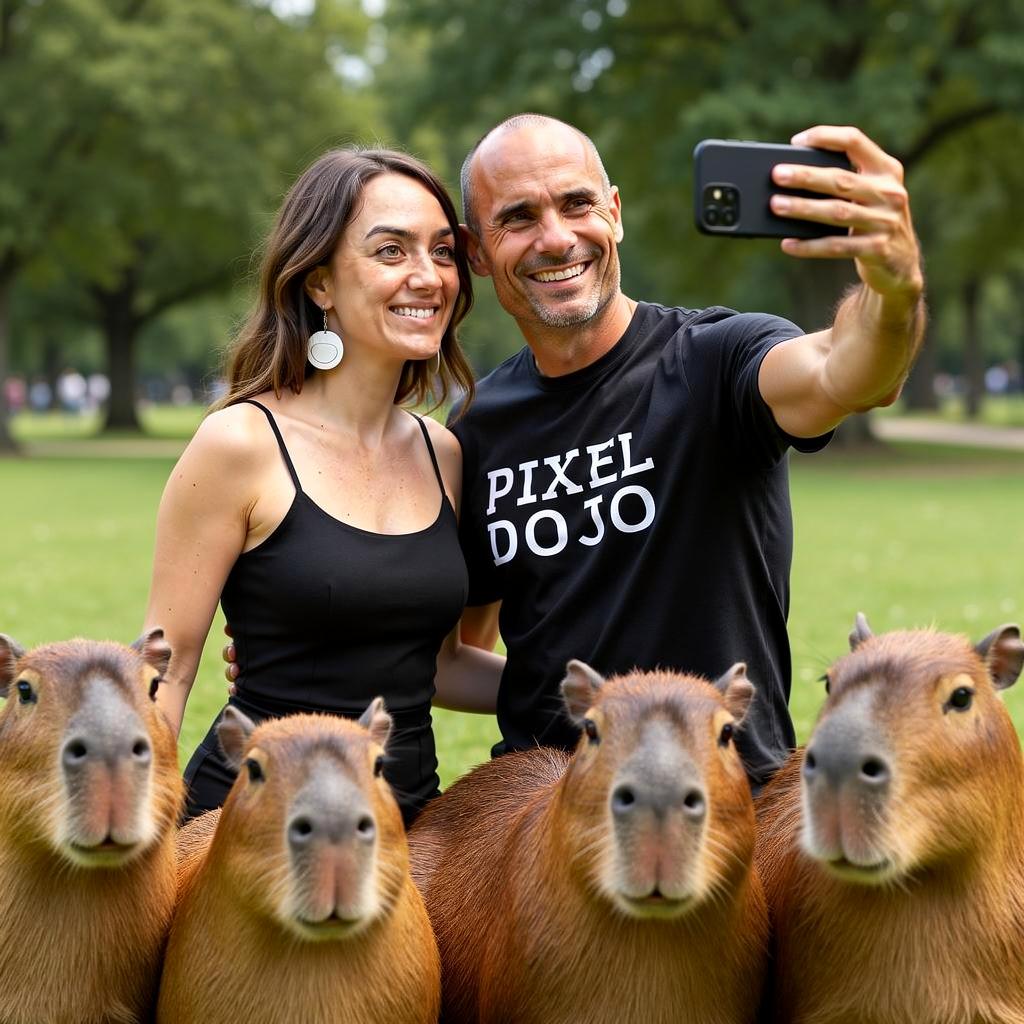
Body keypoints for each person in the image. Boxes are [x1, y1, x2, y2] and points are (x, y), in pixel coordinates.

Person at [447, 114, 925, 789]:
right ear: (473, 251)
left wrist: (894, 288)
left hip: (725, 800)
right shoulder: (475, 428)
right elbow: (458, 652)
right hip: (547, 823)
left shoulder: (716, 361)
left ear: (613, 214)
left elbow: (847, 372)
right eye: (517, 218)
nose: (555, 238)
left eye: (577, 204)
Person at [145, 147, 502, 826]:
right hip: (254, 831)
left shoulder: (446, 454)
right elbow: (172, 667)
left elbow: (444, 665)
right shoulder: (240, 444)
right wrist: (142, 838)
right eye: (391, 251)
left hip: (405, 830)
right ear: (319, 284)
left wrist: (583, 688)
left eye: (442, 252)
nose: (427, 277)